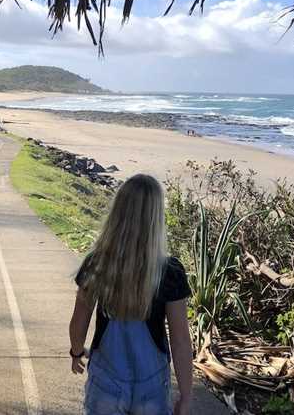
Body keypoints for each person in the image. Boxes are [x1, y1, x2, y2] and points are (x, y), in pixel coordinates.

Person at [69, 174, 192, 415]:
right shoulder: (170, 272)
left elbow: (78, 322)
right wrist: (186, 395)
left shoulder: (97, 264)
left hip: (106, 378)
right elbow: (180, 340)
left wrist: (76, 351)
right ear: (156, 218)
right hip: (152, 384)